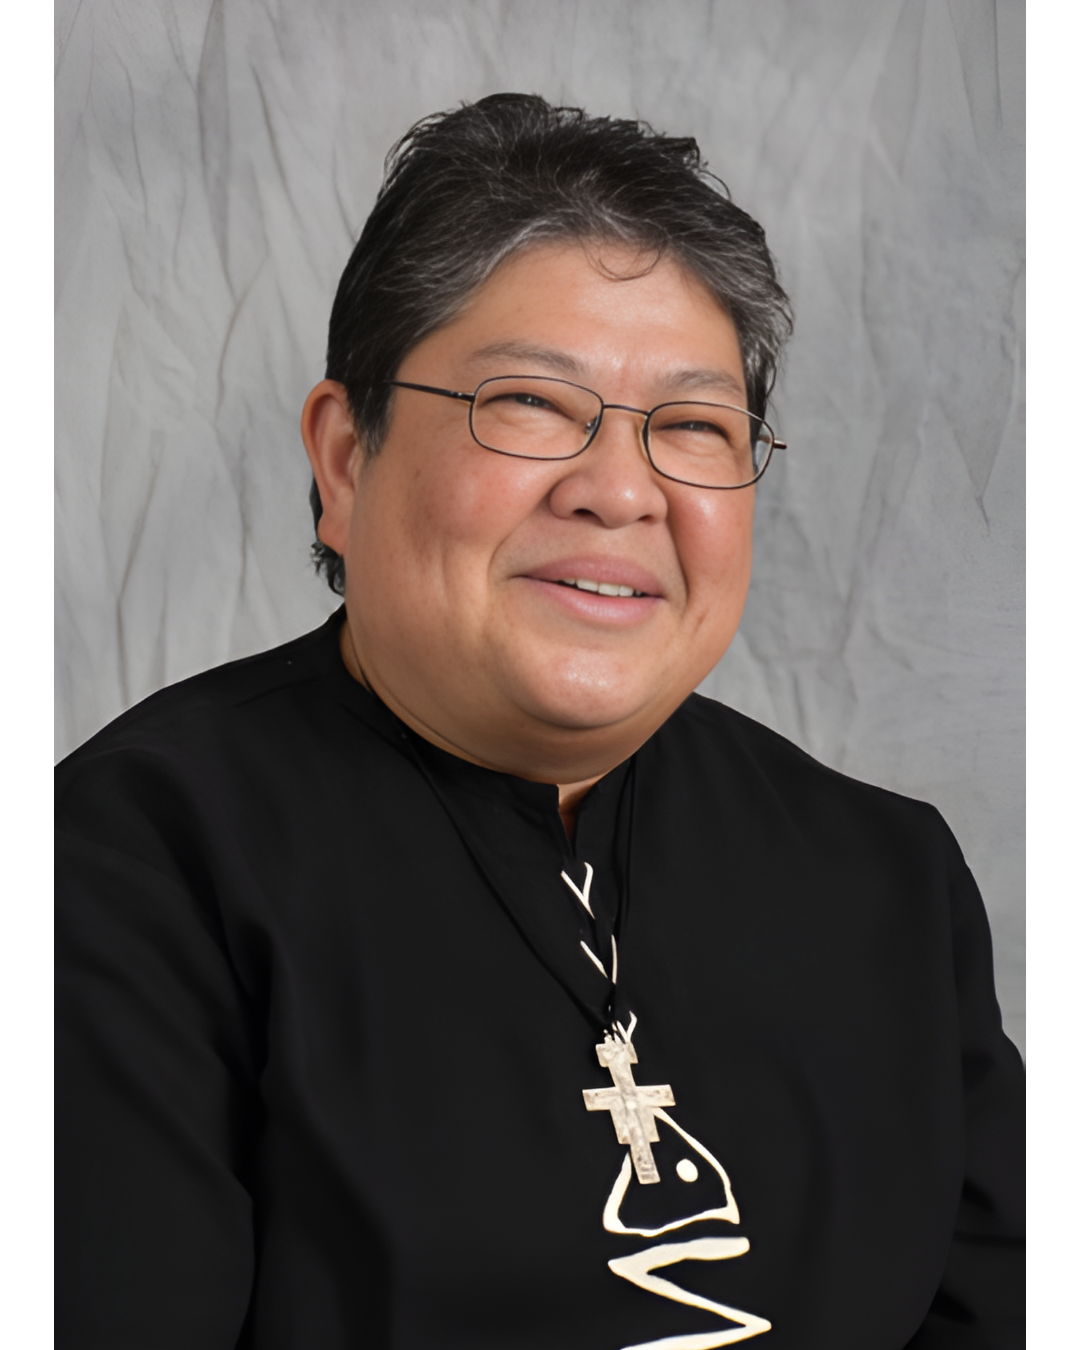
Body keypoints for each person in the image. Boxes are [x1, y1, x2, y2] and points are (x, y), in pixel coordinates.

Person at [55, 94, 1024, 1349]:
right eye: (528, 404)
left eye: (689, 426)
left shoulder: (889, 882)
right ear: (346, 460)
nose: (620, 491)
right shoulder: (133, 868)